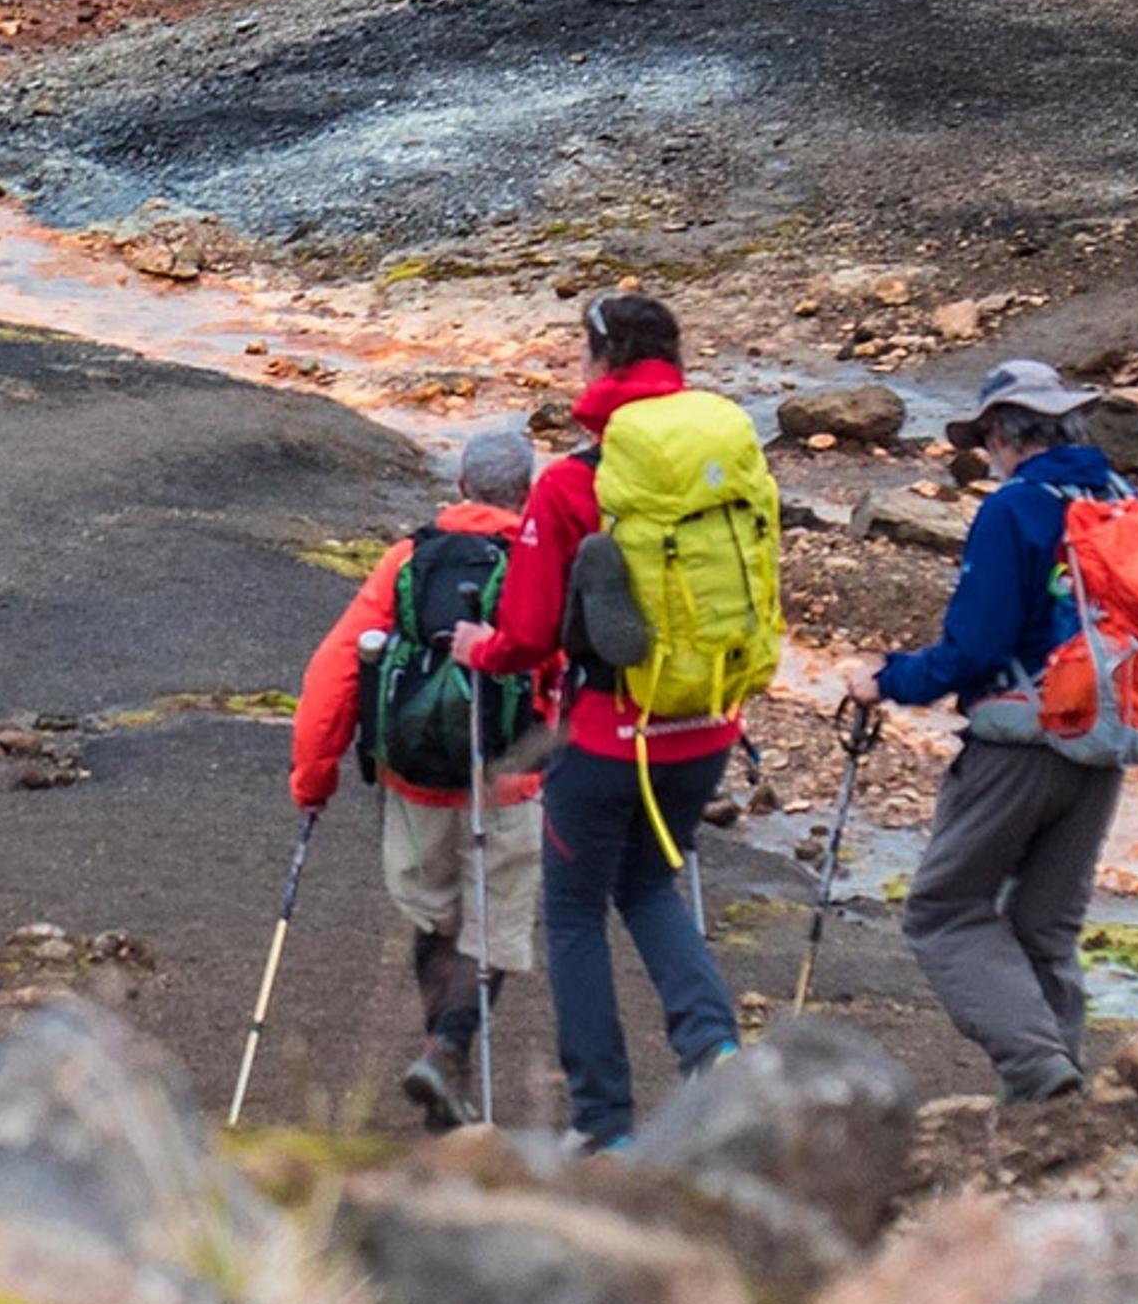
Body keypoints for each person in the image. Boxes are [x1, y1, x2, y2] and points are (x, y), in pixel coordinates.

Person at [452, 294, 778, 1151]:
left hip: (604, 738)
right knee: (648, 884)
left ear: (600, 364)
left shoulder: (569, 482)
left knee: (572, 916)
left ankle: (603, 1125)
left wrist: (478, 650)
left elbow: (524, 636)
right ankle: (712, 1050)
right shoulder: (722, 461)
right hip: (704, 725)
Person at [836, 359, 1138, 1102]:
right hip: (1109, 737)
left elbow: (974, 646)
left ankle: (1038, 1073)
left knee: (945, 909)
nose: (988, 454)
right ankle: (1055, 1105)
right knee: (1044, 925)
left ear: (1006, 432)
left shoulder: (1014, 509)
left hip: (1022, 738)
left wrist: (887, 680)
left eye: (987, 440)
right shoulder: (1124, 499)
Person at [289, 429, 548, 1128]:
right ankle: (450, 1050)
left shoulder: (409, 559)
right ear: (528, 492)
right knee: (491, 930)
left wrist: (313, 779)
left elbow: (337, 667)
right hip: (508, 780)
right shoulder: (536, 560)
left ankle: (445, 1065)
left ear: (461, 486)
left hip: (414, 782)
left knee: (435, 919)